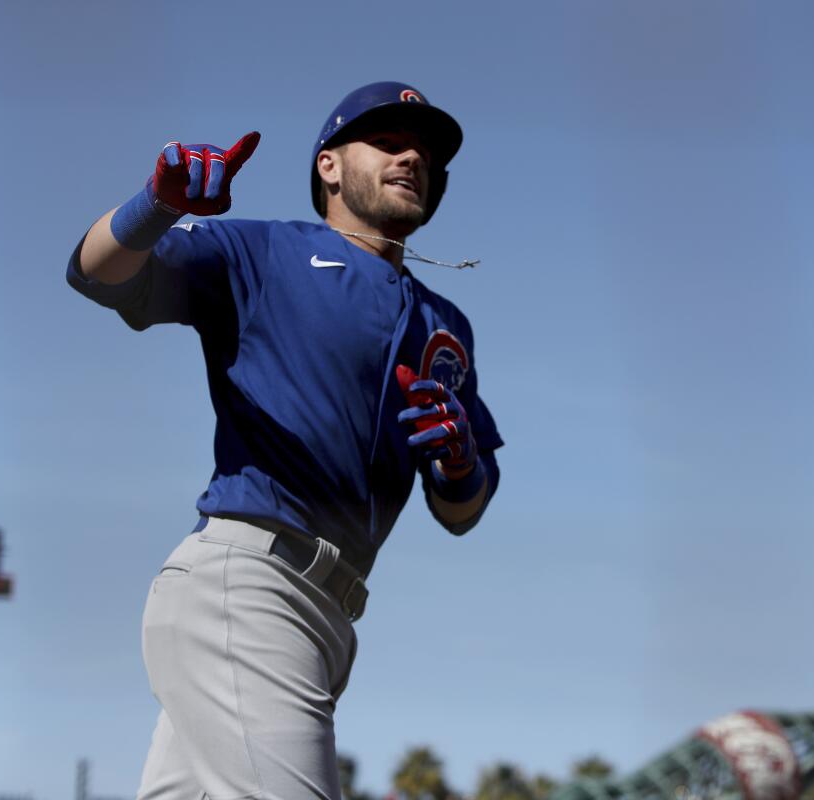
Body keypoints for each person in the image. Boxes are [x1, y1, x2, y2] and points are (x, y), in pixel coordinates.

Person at [66, 81, 503, 800]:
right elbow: (96, 272)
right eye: (388, 139)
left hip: (328, 617)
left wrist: (460, 466)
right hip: (251, 584)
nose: (412, 155)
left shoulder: (446, 323)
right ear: (328, 165)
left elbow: (462, 512)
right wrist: (156, 205)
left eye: (424, 149)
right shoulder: (265, 252)